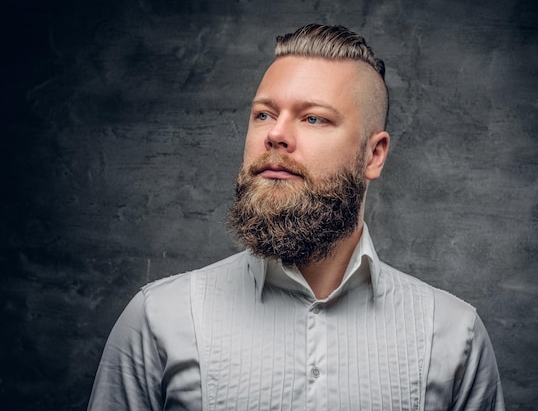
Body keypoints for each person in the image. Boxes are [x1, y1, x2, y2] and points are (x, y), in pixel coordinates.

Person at [88, 24, 505, 411]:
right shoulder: (158, 319)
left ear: (373, 155)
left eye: (313, 118)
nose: (275, 134)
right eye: (264, 114)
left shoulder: (454, 336)